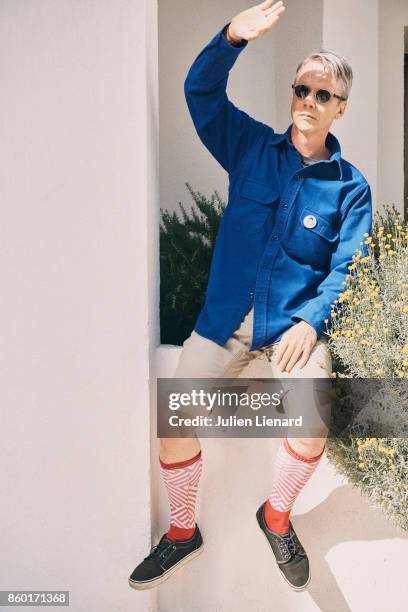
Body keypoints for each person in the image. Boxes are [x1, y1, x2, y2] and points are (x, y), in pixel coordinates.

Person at [129, 0, 372, 593]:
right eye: (302, 89)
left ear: (341, 108)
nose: (309, 101)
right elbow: (200, 92)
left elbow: (346, 268)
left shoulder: (351, 189)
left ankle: (276, 516)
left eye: (323, 95)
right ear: (292, 94)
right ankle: (183, 531)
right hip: (225, 323)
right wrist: (233, 37)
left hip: (292, 329)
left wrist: (311, 323)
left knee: (312, 422)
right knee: (173, 417)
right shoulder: (250, 148)